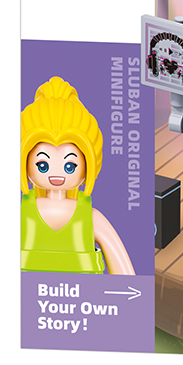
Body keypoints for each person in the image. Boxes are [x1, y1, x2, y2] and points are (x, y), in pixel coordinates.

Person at [20, 76, 135, 274]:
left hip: (84, 295)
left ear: (88, 165)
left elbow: (126, 276)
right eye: (43, 165)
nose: (57, 173)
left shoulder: (91, 219)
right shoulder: (22, 214)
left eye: (69, 166)